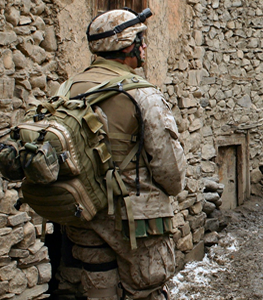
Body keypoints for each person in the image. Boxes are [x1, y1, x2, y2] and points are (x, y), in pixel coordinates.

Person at [55, 8, 187, 300]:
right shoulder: (143, 95)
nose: (144, 47)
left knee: (98, 290)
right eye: (140, 40)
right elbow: (171, 173)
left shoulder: (67, 89)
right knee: (146, 291)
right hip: (136, 224)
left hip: (84, 214)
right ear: (126, 46)